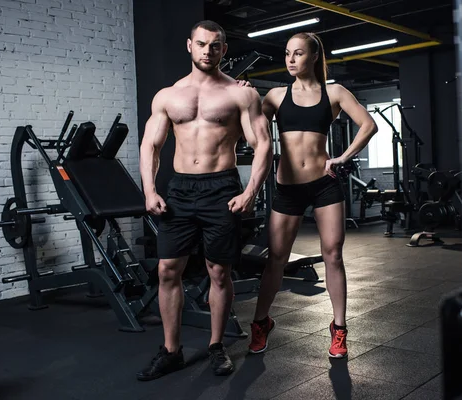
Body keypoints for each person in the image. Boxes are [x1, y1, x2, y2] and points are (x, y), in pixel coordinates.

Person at [137, 20, 272, 380]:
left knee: (219, 271)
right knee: (167, 270)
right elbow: (151, 145)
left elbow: (263, 146)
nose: (207, 51)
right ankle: (171, 350)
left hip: (221, 189)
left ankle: (216, 346)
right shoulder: (168, 95)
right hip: (179, 189)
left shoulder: (241, 95)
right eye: (201, 44)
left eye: (215, 46)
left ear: (223, 50)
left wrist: (249, 191)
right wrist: (150, 189)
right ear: (189, 46)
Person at [249, 32, 378, 358]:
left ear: (314, 57)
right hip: (288, 188)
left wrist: (341, 157)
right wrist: (247, 98)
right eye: (287, 53)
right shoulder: (276, 96)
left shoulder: (334, 92)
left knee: (333, 254)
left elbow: (368, 124)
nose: (291, 59)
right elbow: (251, 130)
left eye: (298, 54)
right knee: (275, 259)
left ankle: (338, 329)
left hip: (324, 184)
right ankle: (261, 322)